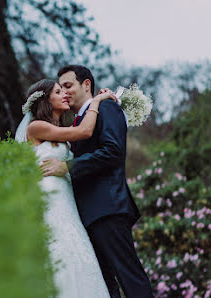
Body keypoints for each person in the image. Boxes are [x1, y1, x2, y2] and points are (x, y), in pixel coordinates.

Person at [41, 65, 153, 298]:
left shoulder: (107, 107)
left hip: (107, 208)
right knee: (105, 285)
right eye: (60, 88)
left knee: (129, 277)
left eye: (69, 86)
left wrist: (67, 166)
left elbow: (113, 151)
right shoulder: (79, 122)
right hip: (87, 216)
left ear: (87, 85)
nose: (64, 92)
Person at [15, 78, 117, 298]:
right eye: (58, 91)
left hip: (66, 199)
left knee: (77, 249)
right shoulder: (37, 127)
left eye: (64, 90)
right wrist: (97, 100)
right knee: (59, 250)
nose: (64, 95)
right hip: (50, 197)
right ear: (45, 99)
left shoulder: (57, 129)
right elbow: (84, 131)